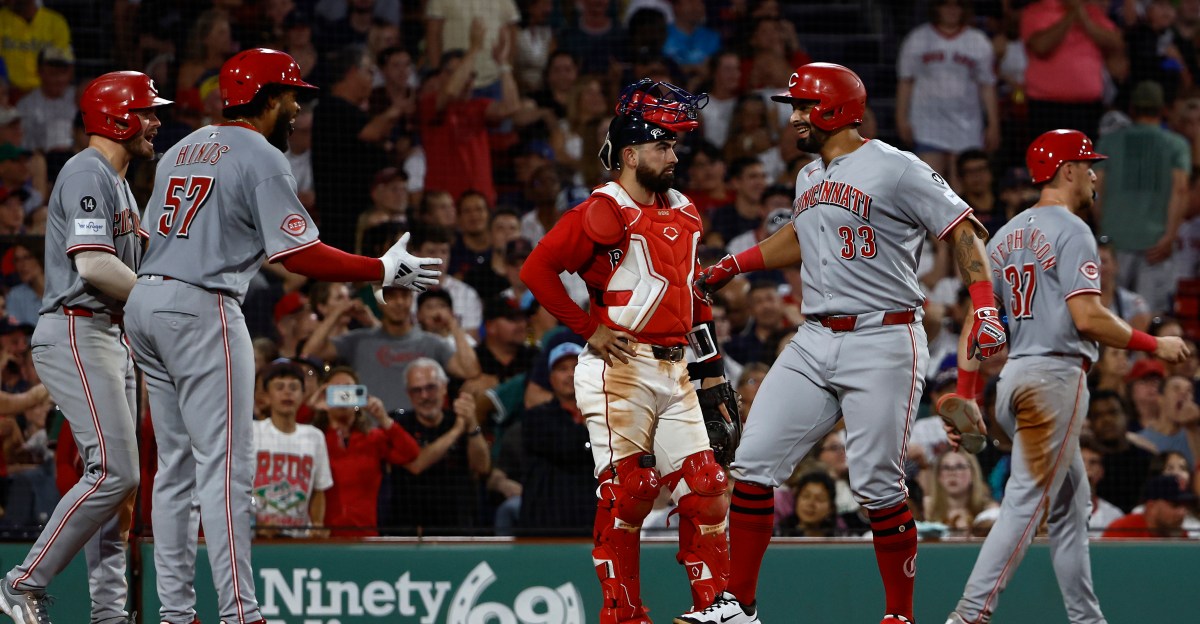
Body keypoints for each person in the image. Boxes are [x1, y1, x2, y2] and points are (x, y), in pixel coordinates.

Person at [122, 48, 440, 624]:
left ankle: (174, 613)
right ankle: (241, 612)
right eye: (292, 97)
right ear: (267, 101)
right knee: (228, 468)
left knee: (174, 467)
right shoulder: (261, 153)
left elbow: (150, 236)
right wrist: (381, 270)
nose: (298, 108)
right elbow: (299, 255)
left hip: (146, 300)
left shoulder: (181, 148)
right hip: (202, 306)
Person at [686, 62, 1005, 624]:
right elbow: (799, 237)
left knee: (877, 485)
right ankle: (739, 605)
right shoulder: (810, 176)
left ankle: (898, 616)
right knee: (753, 465)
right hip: (814, 335)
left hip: (884, 337)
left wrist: (983, 304)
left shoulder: (897, 168)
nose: (796, 118)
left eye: (804, 107)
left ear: (835, 109)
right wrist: (732, 265)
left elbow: (962, 229)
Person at [941, 129, 1191, 624]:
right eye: (1088, 164)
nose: (1095, 174)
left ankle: (1086, 619)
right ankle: (968, 616)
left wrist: (967, 393)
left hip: (1014, 380)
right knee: (1025, 504)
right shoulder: (1073, 229)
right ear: (1067, 170)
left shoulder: (1006, 234)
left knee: (1072, 508)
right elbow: (1089, 317)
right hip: (1053, 379)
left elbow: (976, 320)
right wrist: (1152, 343)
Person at [520, 78, 739, 623]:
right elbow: (537, 270)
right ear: (630, 153)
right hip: (618, 367)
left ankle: (714, 607)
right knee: (631, 490)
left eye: (675, 145)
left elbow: (690, 296)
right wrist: (586, 328)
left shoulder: (684, 211)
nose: (674, 156)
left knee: (708, 485)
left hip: (677, 366)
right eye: (664, 145)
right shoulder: (602, 211)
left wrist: (711, 371)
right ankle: (622, 613)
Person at [0, 71, 166, 624]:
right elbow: (93, 264)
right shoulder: (85, 169)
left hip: (108, 334)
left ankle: (108, 614)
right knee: (115, 472)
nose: (156, 121)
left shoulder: (120, 182)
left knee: (119, 489)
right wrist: (161, 303)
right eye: (147, 112)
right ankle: (22, 581)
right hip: (77, 326)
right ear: (118, 117)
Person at [1094, 81, 1190, 315]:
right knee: (1147, 319)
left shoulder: (1109, 142)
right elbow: (1180, 190)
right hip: (1155, 245)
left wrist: (1104, 231)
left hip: (1115, 244)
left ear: (1132, 109)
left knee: (1110, 317)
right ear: (1163, 110)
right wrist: (1169, 236)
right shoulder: (1177, 144)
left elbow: (1094, 189)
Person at [252, 362, 332, 538]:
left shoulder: (315, 437)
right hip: (257, 537)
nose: (287, 392)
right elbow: (237, 487)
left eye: (294, 387)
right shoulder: (252, 432)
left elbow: (319, 489)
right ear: (266, 396)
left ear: (303, 395)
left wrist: (317, 525)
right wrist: (255, 522)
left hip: (299, 539)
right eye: (279, 387)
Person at [1101, 474, 1196, 538]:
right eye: (1175, 505)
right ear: (1151, 506)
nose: (1182, 512)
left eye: (1185, 506)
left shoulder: (1180, 535)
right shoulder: (1123, 531)